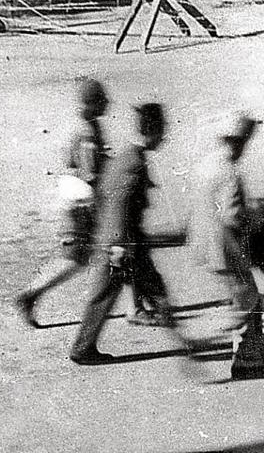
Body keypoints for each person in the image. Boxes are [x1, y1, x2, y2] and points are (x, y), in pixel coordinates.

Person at [69, 103, 180, 365]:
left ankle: (84, 348)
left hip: (116, 236)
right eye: (162, 131)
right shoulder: (134, 163)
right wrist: (118, 244)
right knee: (108, 294)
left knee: (111, 293)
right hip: (121, 241)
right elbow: (121, 203)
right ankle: (82, 349)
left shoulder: (125, 157)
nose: (164, 138)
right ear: (152, 131)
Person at [15, 79, 110, 327]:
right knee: (75, 259)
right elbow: (91, 174)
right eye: (102, 100)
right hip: (82, 206)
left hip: (74, 199)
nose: (107, 104)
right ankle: (32, 294)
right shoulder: (89, 132)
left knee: (88, 256)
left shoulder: (83, 126)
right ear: (91, 105)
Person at [196, 112, 264, 379]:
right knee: (248, 302)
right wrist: (259, 216)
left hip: (207, 246)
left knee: (243, 300)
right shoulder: (231, 172)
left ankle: (245, 359)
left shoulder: (207, 164)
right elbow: (232, 217)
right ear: (238, 141)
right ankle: (244, 361)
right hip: (227, 248)